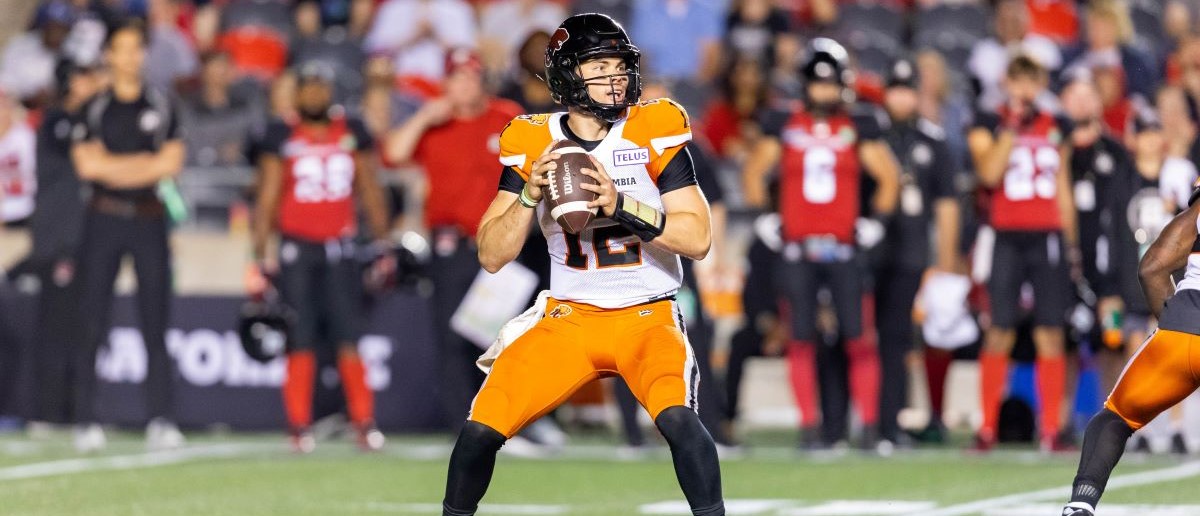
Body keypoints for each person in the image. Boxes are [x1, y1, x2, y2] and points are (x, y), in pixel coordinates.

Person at [441, 14, 723, 516]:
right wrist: (528, 195)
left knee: (679, 420)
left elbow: (698, 239)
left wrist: (620, 205)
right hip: (568, 319)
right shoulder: (532, 140)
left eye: (620, 65)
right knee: (479, 431)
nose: (615, 78)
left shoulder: (652, 127)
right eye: (599, 66)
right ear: (568, 74)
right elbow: (491, 254)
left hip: (647, 315)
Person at [742, 38, 900, 449]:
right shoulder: (784, 123)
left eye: (831, 84)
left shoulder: (858, 125)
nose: (824, 92)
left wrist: (876, 223)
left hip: (844, 247)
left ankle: (866, 428)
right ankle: (810, 427)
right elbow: (755, 171)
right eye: (818, 83)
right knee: (800, 337)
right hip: (798, 247)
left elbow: (889, 177)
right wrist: (766, 218)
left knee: (859, 338)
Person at [250, 62, 391, 453]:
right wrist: (258, 256)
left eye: (320, 88)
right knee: (300, 338)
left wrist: (382, 242)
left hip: (341, 247)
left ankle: (363, 421)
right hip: (297, 247)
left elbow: (370, 187)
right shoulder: (281, 133)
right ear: (296, 93)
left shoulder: (352, 130)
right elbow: (267, 197)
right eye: (307, 88)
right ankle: (298, 425)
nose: (314, 95)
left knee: (349, 338)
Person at [385, 48, 524, 433]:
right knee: (450, 338)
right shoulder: (434, 123)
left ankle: (508, 421)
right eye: (457, 78)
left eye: (471, 77)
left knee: (500, 338)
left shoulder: (505, 116)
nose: (464, 85)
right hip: (450, 246)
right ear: (446, 84)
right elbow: (394, 152)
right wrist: (426, 115)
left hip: (499, 246)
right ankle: (464, 426)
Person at [70, 20, 186, 453]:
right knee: (91, 318)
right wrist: (142, 163)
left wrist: (116, 165)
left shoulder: (162, 103)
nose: (131, 57)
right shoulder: (94, 108)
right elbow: (88, 167)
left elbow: (170, 164)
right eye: (122, 48)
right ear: (109, 55)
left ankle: (161, 417)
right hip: (103, 218)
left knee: (155, 319)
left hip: (150, 217)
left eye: (138, 48)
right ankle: (86, 418)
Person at [1060, 179, 1200, 516]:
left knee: (1116, 417)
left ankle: (1080, 504)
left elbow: (1153, 267)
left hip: (1186, 329)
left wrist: (1178, 325)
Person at [967, 55, 1077, 452]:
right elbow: (988, 174)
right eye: (1018, 81)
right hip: (1005, 236)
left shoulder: (1057, 125)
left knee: (1050, 331)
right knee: (999, 330)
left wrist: (1072, 245)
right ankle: (987, 428)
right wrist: (1010, 129)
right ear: (1005, 82)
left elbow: (1062, 187)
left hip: (1046, 235)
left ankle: (1051, 428)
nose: (1024, 91)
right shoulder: (987, 122)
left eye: (1032, 82)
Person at [875, 58, 961, 448]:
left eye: (908, 91)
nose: (902, 99)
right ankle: (863, 420)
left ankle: (888, 423)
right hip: (870, 250)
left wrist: (944, 262)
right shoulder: (872, 135)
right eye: (896, 90)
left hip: (911, 253)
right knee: (862, 337)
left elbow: (947, 206)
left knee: (897, 338)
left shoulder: (932, 141)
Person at [26, 57, 103, 429]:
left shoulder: (86, 121)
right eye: (87, 76)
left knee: (82, 327)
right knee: (55, 327)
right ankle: (46, 412)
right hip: (59, 239)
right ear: (72, 82)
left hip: (82, 237)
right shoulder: (58, 121)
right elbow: (85, 161)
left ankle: (76, 411)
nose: (95, 82)